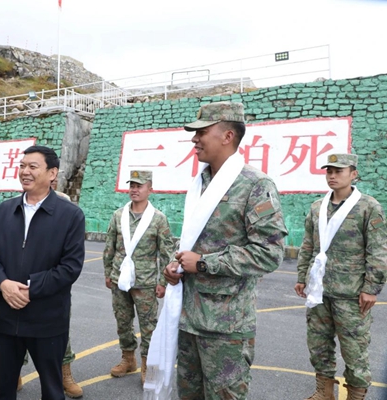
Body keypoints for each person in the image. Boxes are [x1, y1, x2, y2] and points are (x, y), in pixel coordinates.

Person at [164, 101, 287, 399]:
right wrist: (175, 264)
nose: (194, 139)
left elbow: (270, 253)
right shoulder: (201, 182)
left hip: (225, 326)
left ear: (227, 136)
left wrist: (204, 263)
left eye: (202, 132)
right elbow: (192, 240)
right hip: (188, 318)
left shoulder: (255, 185)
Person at [0, 145, 85, 400]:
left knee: (52, 388)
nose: (25, 171)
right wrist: (3, 284)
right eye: (22, 166)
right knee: (3, 387)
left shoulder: (70, 216)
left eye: (33, 167)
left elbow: (70, 267)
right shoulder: (5, 210)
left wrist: (30, 288)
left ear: (52, 173)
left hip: (47, 320)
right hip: (5, 317)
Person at [295, 153, 387, 400]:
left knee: (354, 350)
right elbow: (308, 245)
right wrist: (302, 277)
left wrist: (371, 288)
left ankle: (355, 396)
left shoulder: (368, 207)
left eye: (339, 171)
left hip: (351, 294)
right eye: (329, 171)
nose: (332, 176)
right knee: (318, 345)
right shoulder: (318, 207)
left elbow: (378, 250)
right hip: (320, 290)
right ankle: (324, 392)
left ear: (353, 174)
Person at [103, 170, 174, 386]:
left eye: (139, 186)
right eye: (132, 186)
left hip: (146, 282)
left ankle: (147, 364)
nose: (134, 190)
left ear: (149, 189)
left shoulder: (158, 218)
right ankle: (128, 359)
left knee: (148, 326)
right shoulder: (118, 215)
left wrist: (163, 283)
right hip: (119, 279)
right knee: (123, 322)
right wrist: (108, 273)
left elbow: (167, 253)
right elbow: (110, 247)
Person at [17, 175, 83, 398]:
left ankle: (65, 375)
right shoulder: (19, 204)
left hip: (53, 284)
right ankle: (14, 371)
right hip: (20, 281)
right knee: (16, 330)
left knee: (58, 334)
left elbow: (70, 257)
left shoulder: (64, 205)